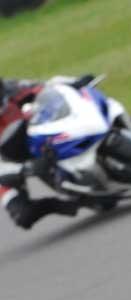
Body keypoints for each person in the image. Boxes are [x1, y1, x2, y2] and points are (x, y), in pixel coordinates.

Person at [0, 76, 92, 230]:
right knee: (23, 216)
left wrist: (74, 83)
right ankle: (57, 204)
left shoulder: (12, 89)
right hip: (8, 163)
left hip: (36, 135)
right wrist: (25, 169)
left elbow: (47, 87)